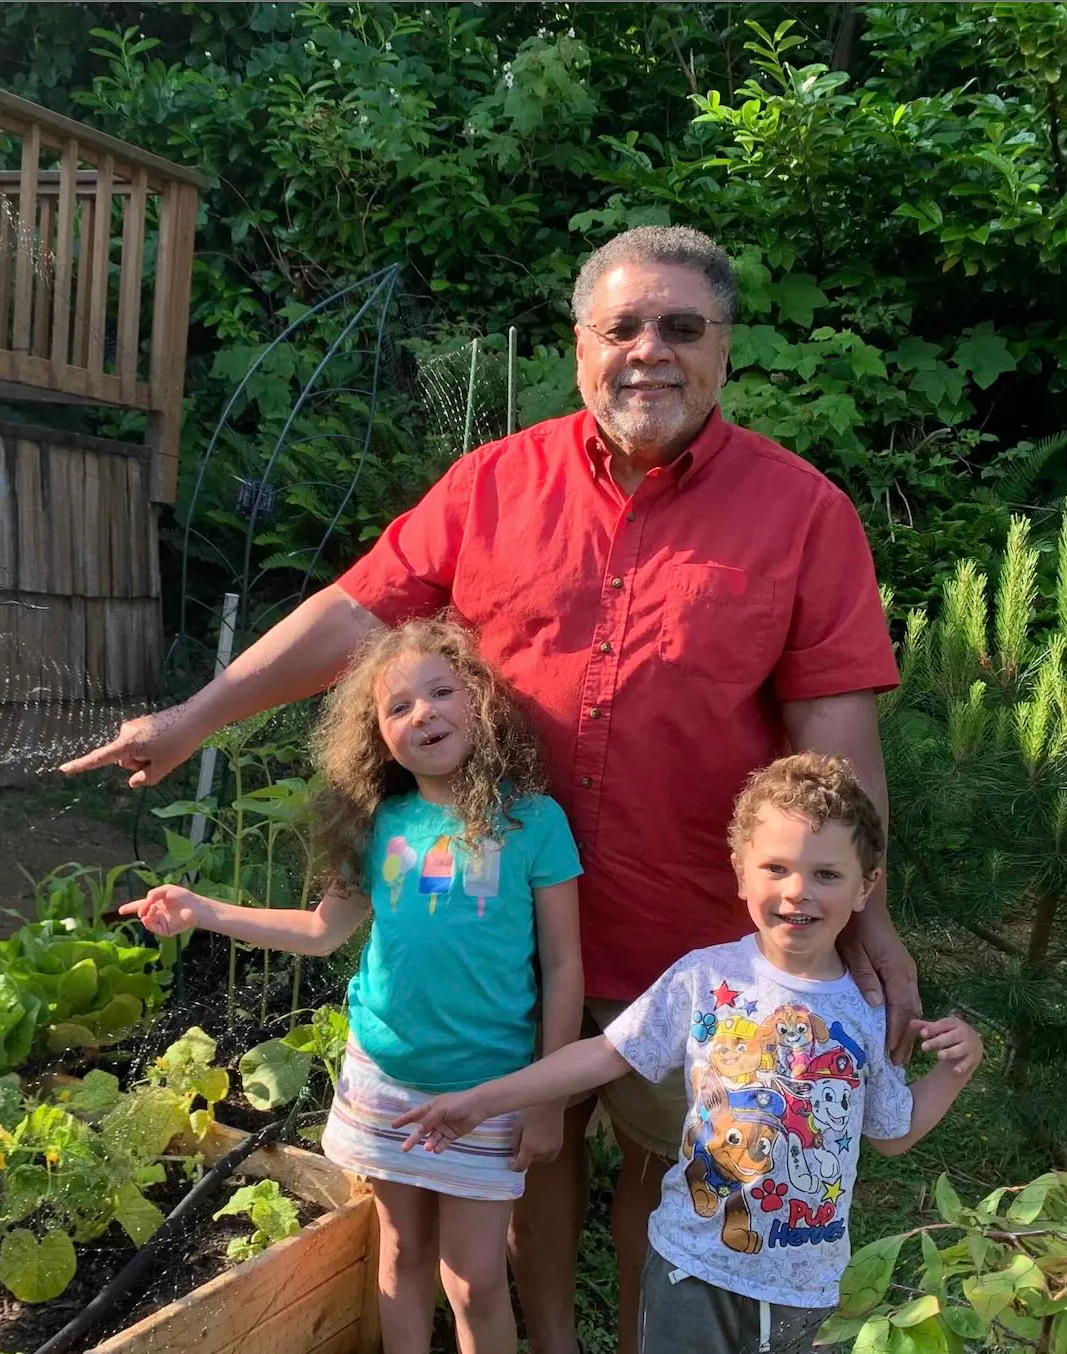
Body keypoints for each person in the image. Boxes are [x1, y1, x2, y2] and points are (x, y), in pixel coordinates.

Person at [66, 224, 920, 1354]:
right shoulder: (494, 485)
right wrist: (195, 717)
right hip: (504, 935)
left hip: (689, 935)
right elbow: (354, 612)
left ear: (725, 346)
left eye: (682, 327)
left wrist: (868, 916)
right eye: (622, 326)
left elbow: (834, 737)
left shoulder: (803, 514)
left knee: (672, 1168)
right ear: (580, 344)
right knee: (530, 1153)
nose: (649, 351)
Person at [394, 754, 982, 1354]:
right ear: (741, 873)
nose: (797, 891)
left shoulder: (868, 1007)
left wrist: (955, 1070)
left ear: (866, 886)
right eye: (775, 868)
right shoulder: (704, 978)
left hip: (809, 1294)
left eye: (826, 874)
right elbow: (602, 1055)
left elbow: (891, 1133)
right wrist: (481, 1101)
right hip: (690, 1273)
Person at [118, 617, 584, 1354]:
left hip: (490, 1092)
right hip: (384, 1084)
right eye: (398, 706)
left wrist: (547, 1099)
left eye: (441, 691)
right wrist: (204, 910)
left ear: (481, 700)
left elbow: (562, 966)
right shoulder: (378, 824)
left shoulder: (535, 821)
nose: (423, 713)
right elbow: (320, 930)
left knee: (474, 1281)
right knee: (401, 1253)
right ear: (377, 736)